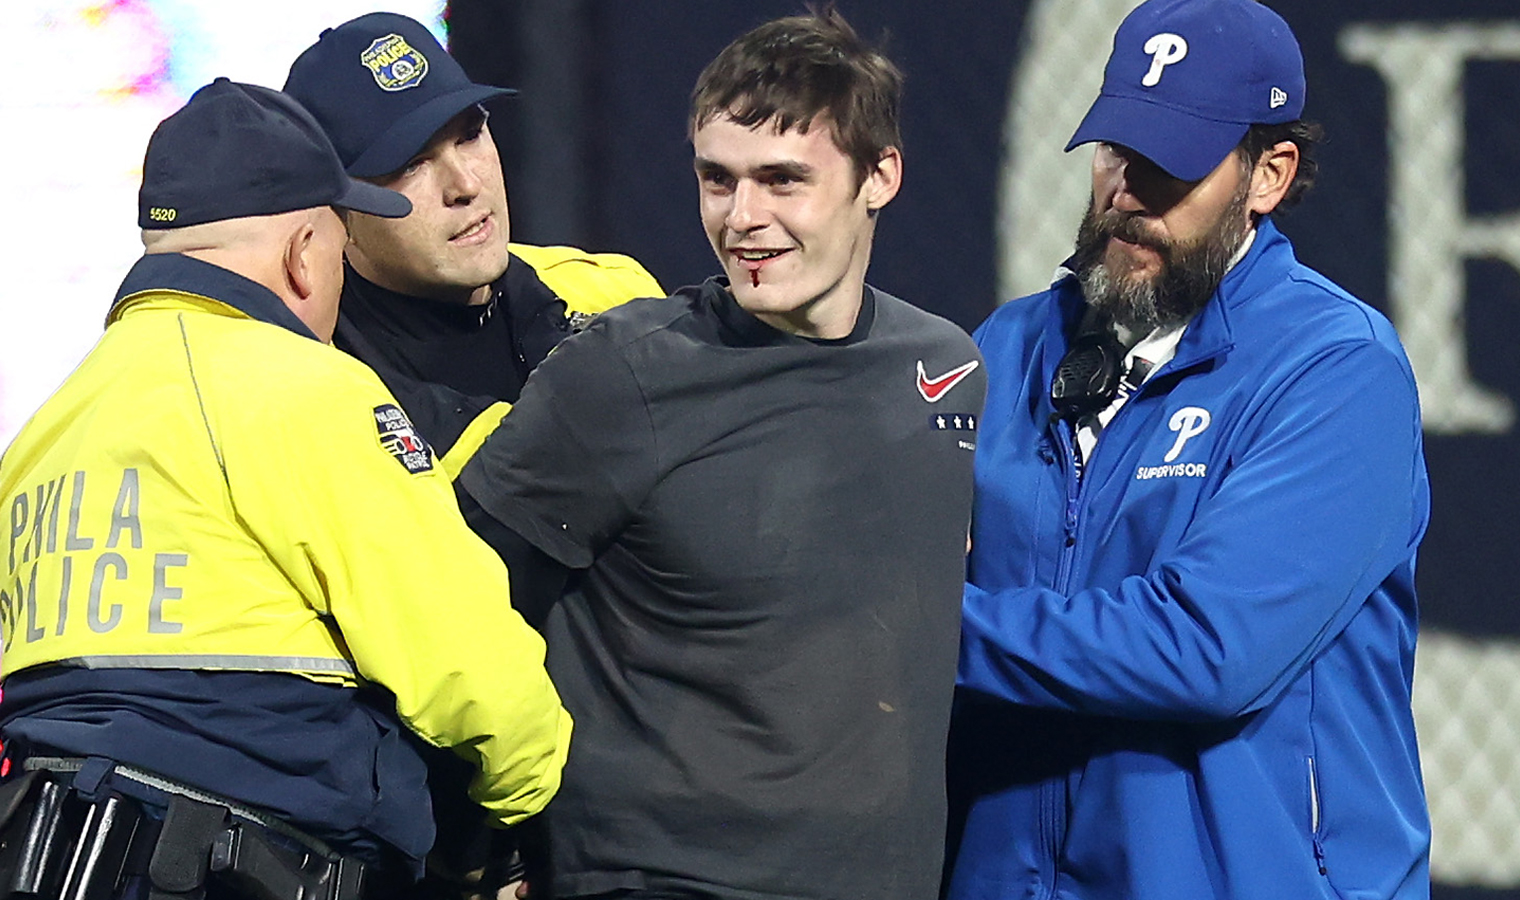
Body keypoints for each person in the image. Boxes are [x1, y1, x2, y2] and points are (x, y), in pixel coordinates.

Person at [0, 79, 570, 899]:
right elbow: (468, 665)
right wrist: (537, 820)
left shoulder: (40, 437)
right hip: (232, 871)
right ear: (302, 253)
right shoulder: (306, 389)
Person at [453, 10, 984, 900]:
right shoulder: (622, 375)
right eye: (717, 179)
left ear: (879, 176)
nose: (744, 218)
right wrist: (488, 847)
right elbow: (456, 605)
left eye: (783, 180)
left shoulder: (945, 367)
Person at [943, 1, 1431, 899]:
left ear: (1268, 174)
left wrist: (915, 622)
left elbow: (1204, 649)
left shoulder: (1335, 369)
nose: (1129, 190)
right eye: (1117, 149)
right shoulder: (1008, 350)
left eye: (1174, 162)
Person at [282, 12, 663, 470]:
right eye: (410, 164)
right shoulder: (311, 389)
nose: (465, 184)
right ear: (335, 210)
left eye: (470, 135)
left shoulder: (614, 294)